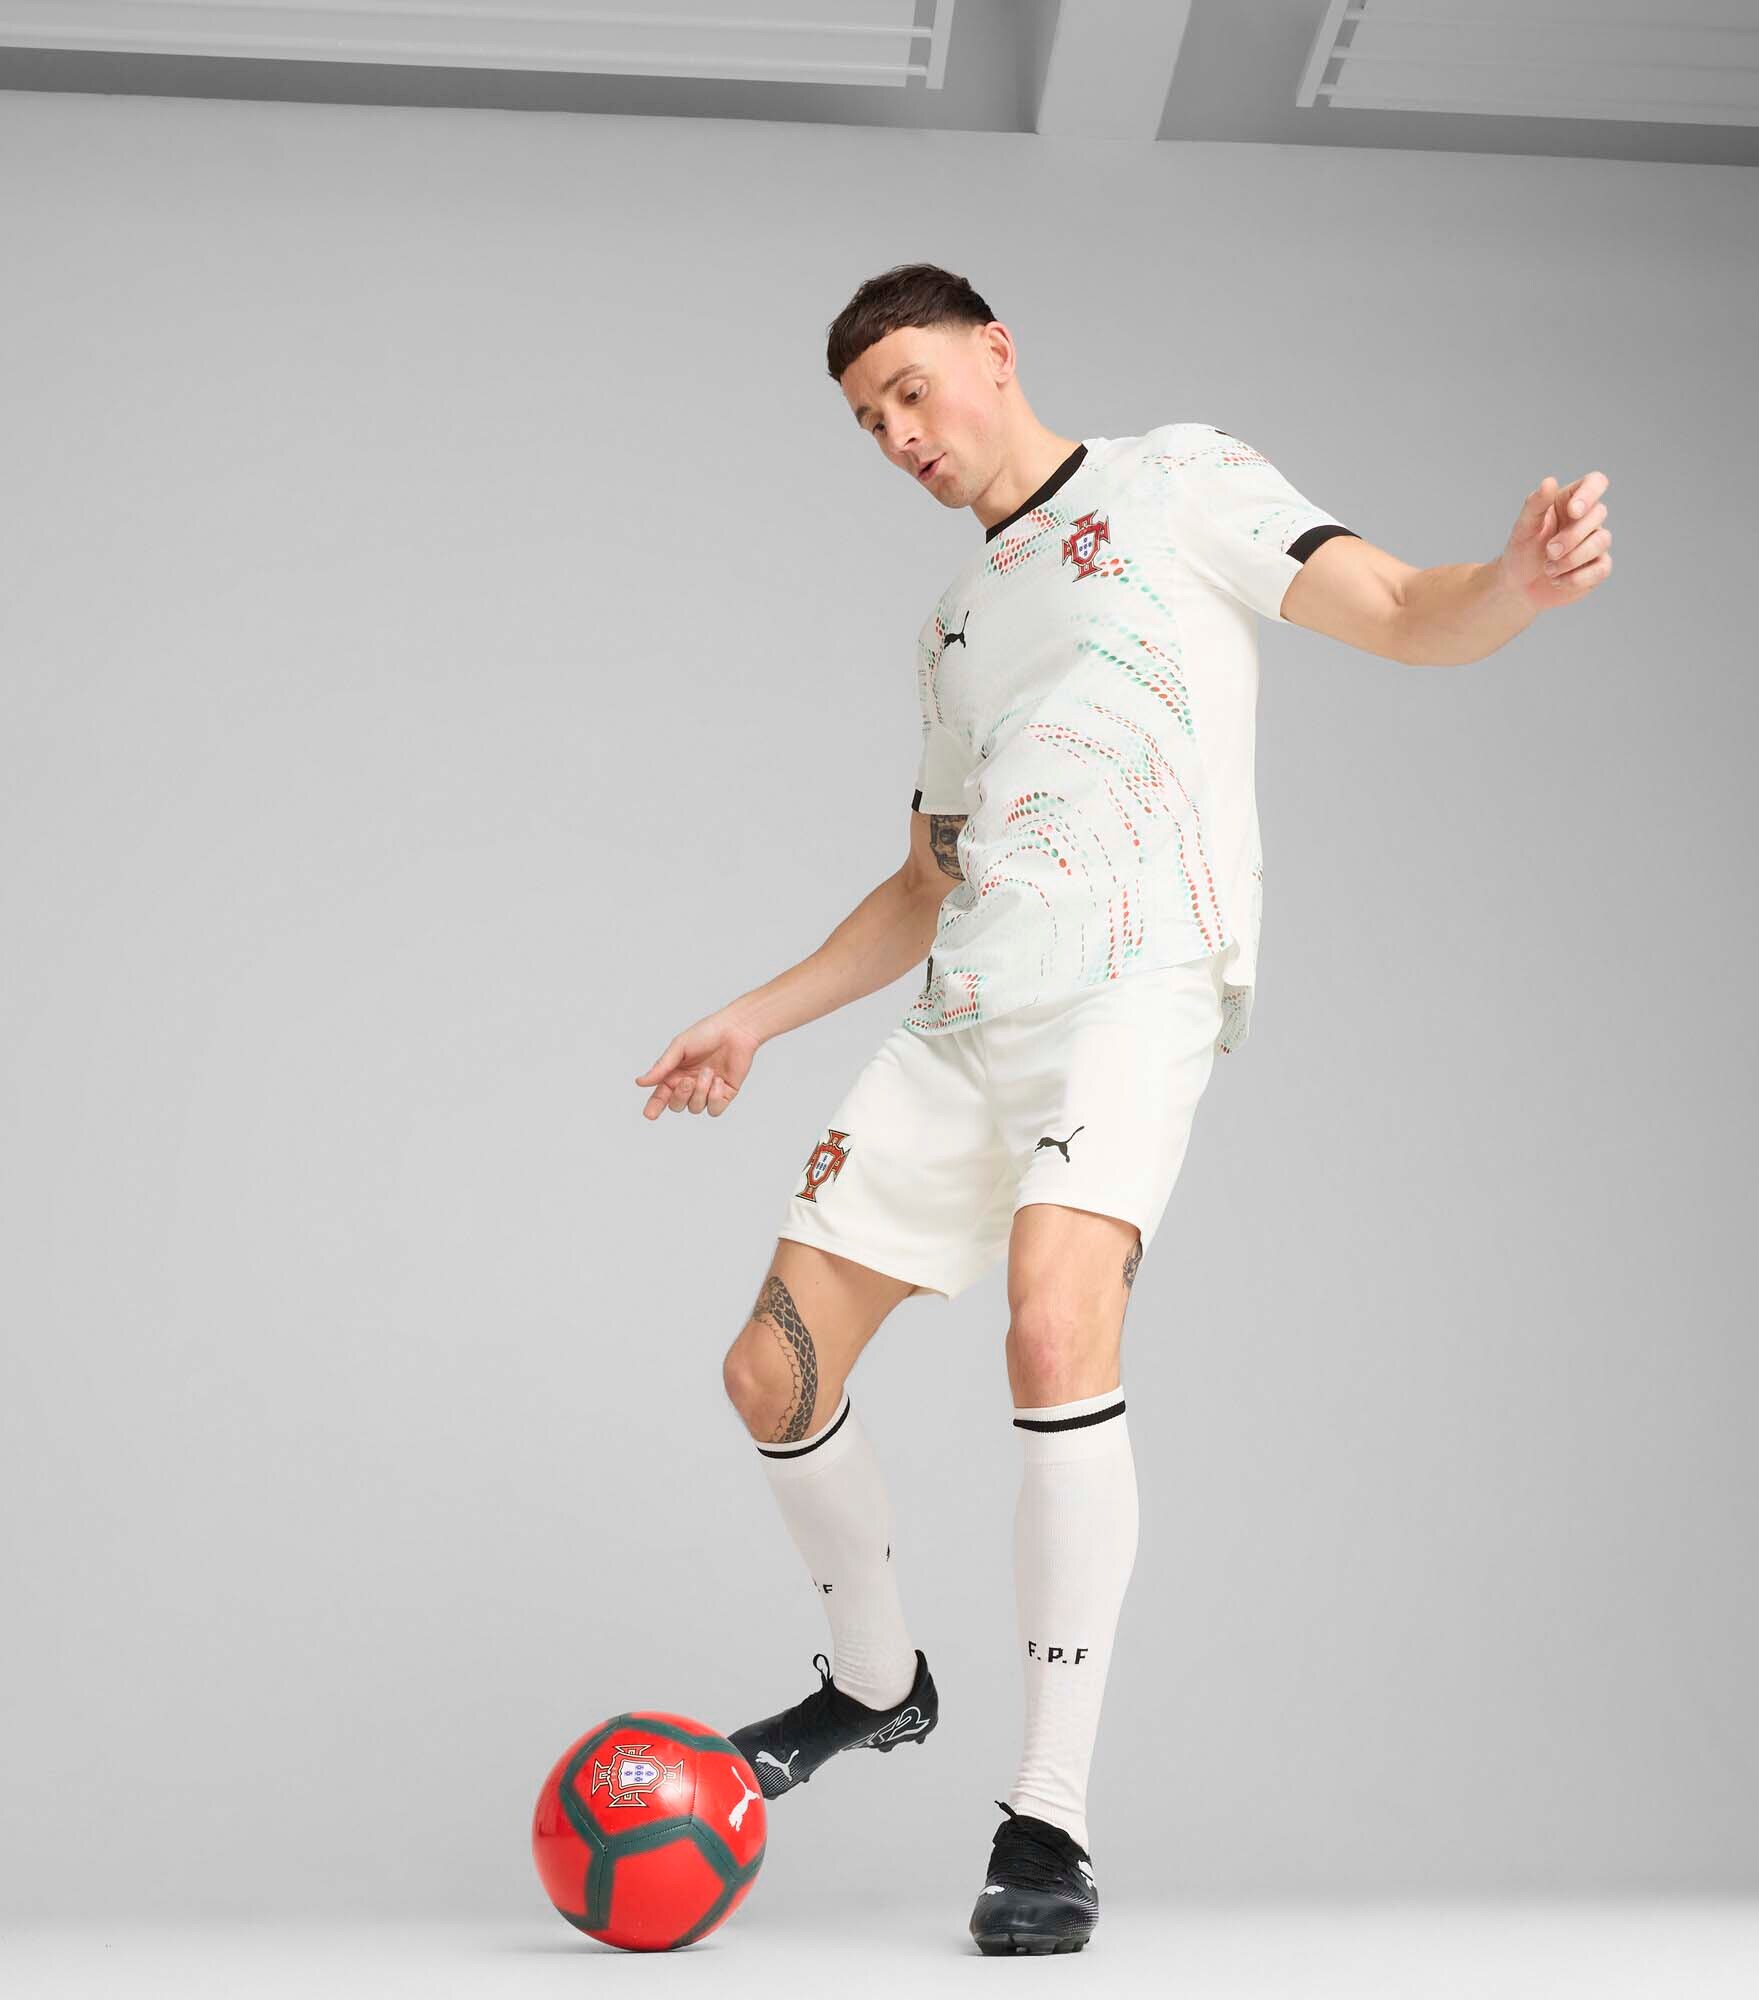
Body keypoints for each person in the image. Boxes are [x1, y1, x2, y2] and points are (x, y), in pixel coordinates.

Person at [634, 263, 1611, 1955]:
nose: (898, 436)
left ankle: (1048, 1818)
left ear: (997, 353)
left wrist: (1510, 586)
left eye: (914, 391)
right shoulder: (952, 626)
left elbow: (1398, 606)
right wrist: (754, 1016)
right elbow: (926, 882)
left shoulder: (1181, 480)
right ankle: (875, 1682)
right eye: (867, 422)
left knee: (1050, 1329)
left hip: (1135, 985)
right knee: (767, 1373)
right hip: (967, 1016)